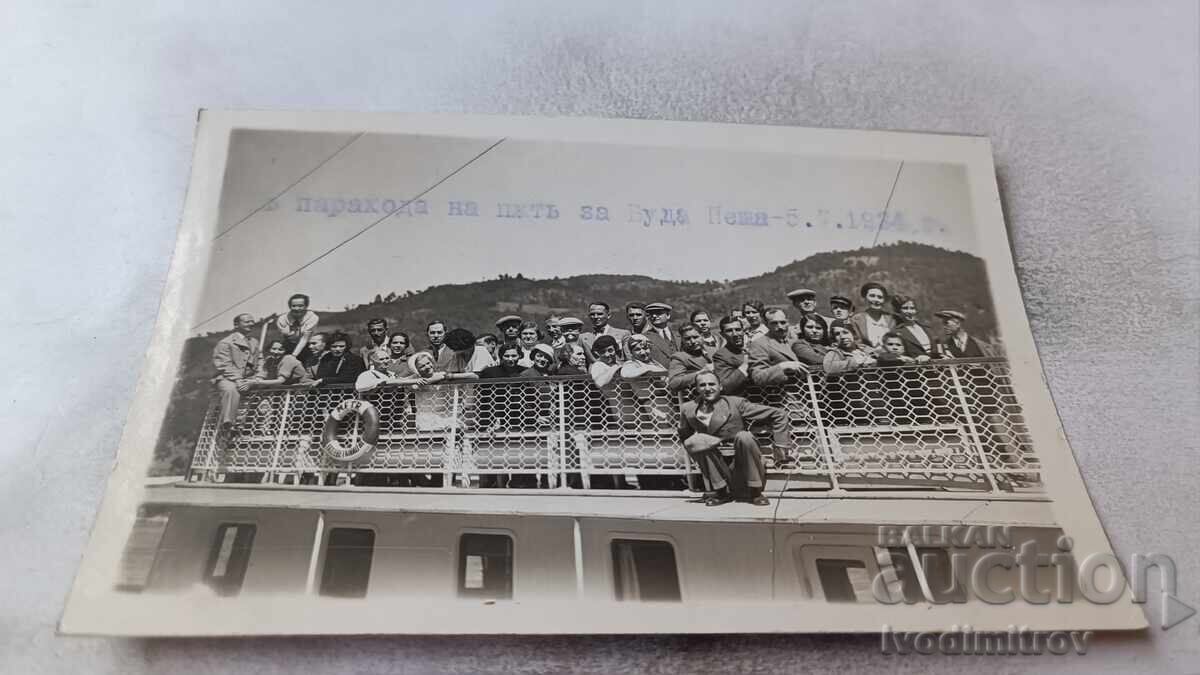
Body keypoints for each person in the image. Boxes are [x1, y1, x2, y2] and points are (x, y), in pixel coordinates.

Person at [678, 372, 789, 506]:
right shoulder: (688, 409)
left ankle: (755, 491)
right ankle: (720, 491)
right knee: (698, 441)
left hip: (741, 461)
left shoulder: (736, 403)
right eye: (702, 385)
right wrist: (696, 447)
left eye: (712, 384)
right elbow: (684, 436)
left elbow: (779, 414)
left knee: (744, 436)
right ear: (696, 388)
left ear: (720, 387)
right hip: (716, 463)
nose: (707, 388)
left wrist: (780, 446)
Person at [212, 313, 261, 444]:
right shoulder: (225, 343)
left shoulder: (254, 342)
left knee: (267, 390)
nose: (251, 324)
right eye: (247, 322)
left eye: (252, 321)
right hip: (228, 378)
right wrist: (239, 380)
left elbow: (260, 361)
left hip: (249, 378)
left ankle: (259, 427)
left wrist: (258, 378)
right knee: (230, 389)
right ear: (236, 325)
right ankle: (228, 425)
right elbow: (224, 365)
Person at [748, 308, 805, 386]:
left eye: (783, 322)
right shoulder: (759, 344)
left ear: (788, 322)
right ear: (766, 325)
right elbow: (758, 377)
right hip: (782, 391)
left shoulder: (794, 341)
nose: (780, 326)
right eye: (774, 323)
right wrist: (782, 367)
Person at [849, 282, 898, 351]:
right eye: (872, 296)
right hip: (867, 355)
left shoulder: (892, 319)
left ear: (884, 300)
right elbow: (857, 343)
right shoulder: (856, 320)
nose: (876, 300)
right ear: (865, 298)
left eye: (880, 297)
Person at [666, 324, 714, 393]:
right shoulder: (679, 357)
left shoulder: (713, 351)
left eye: (695, 337)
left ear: (702, 336)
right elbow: (674, 383)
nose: (693, 341)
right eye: (687, 339)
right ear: (682, 340)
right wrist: (701, 373)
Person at [711, 316, 750, 395]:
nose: (735, 334)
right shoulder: (721, 356)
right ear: (722, 334)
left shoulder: (755, 347)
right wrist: (745, 366)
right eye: (729, 331)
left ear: (743, 331)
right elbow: (724, 386)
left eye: (738, 329)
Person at [891, 294, 936, 359]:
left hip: (936, 364)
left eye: (912, 308)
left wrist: (943, 356)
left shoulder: (927, 328)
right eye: (905, 308)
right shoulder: (896, 332)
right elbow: (895, 355)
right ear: (898, 311)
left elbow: (938, 349)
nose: (910, 312)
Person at [275, 293, 319, 357]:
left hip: (307, 345)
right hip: (288, 345)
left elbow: (305, 338)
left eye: (300, 306)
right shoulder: (282, 319)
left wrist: (293, 355)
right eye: (294, 306)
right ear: (290, 307)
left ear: (306, 306)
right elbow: (282, 338)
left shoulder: (312, 317)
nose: (297, 308)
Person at [642, 302, 679, 367]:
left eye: (658, 313)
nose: (654, 316)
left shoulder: (679, 334)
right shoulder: (644, 337)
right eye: (651, 314)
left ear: (668, 315)